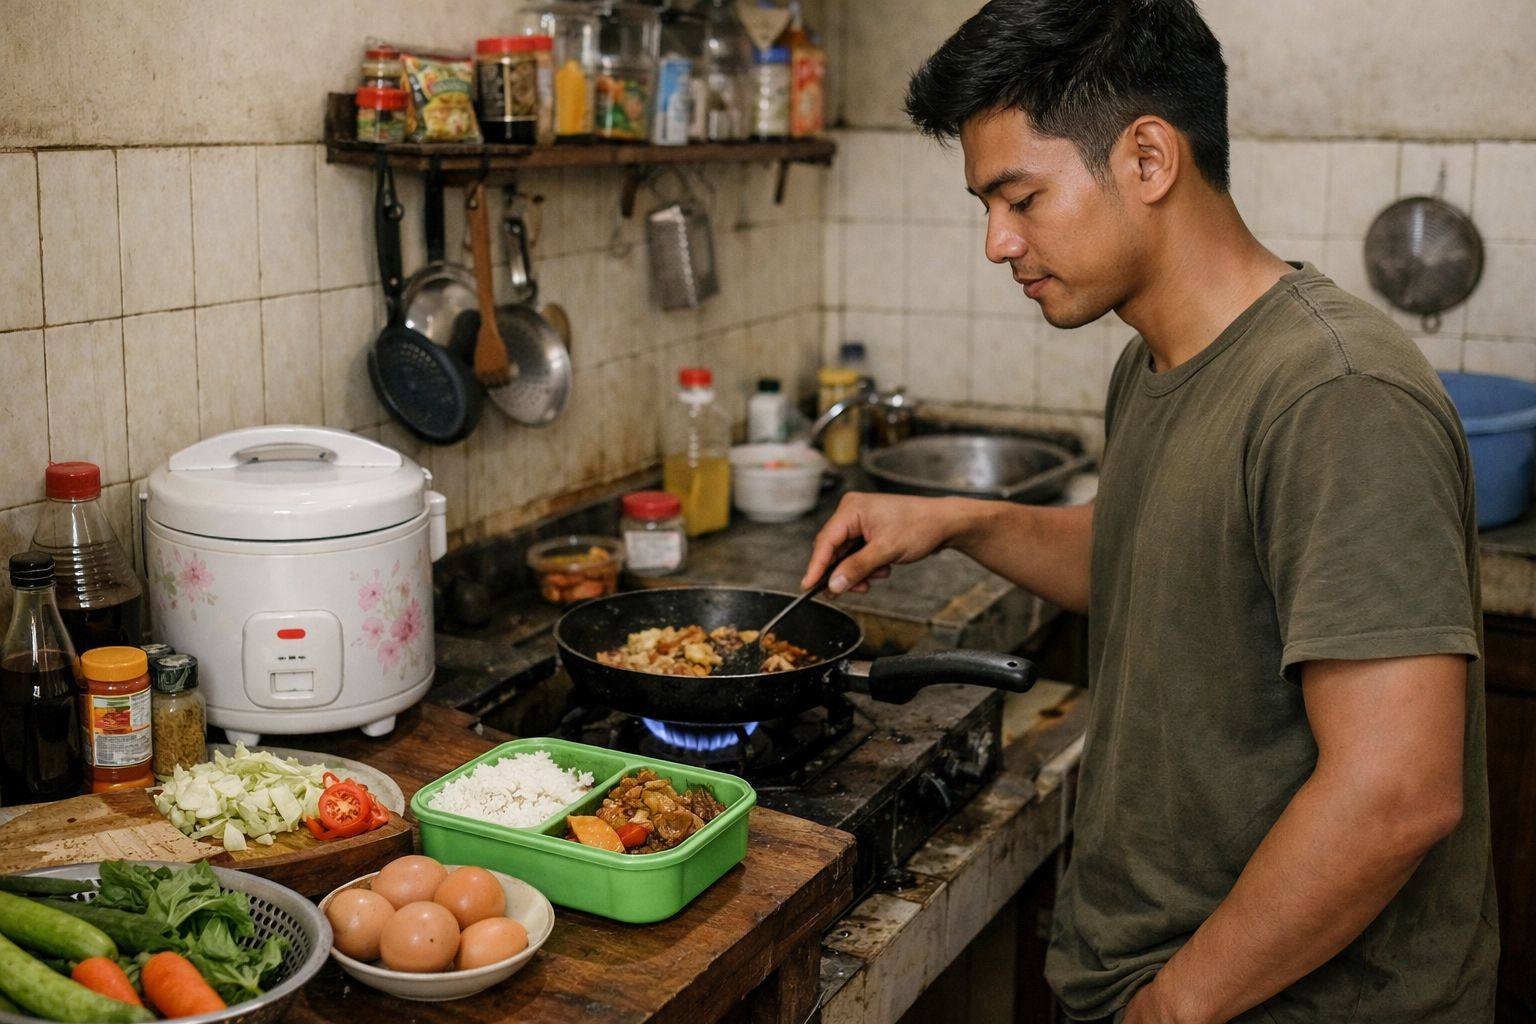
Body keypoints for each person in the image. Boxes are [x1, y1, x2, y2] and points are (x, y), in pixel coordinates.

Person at [800, 1, 1499, 1021]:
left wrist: (1170, 1010)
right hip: (1160, 978)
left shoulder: (1337, 393)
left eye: (1021, 198)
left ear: (1148, 158)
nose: (998, 242)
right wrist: (963, 521)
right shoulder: (1155, 362)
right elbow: (1159, 560)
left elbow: (1397, 794)